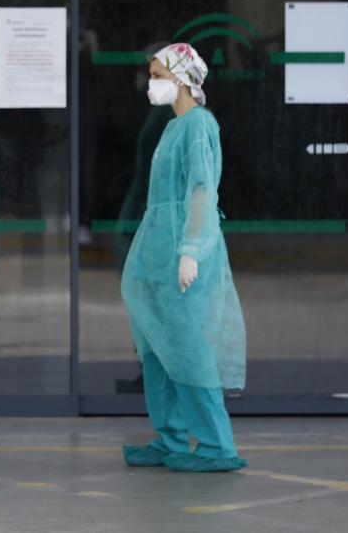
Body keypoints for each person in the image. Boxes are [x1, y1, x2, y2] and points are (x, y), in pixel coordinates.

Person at [121, 43, 248, 473]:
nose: (150, 82)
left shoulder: (198, 125)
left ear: (180, 78)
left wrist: (190, 251)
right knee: (158, 350)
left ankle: (216, 446)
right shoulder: (172, 126)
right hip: (157, 253)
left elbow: (200, 191)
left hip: (182, 253)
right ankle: (170, 438)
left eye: (157, 74)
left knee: (188, 350)